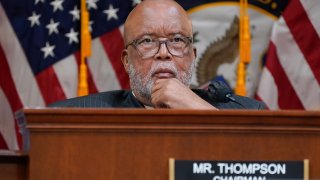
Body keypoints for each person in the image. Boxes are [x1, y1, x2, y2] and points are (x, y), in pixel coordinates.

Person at [50, 0, 264, 109]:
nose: (164, 53)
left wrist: (199, 111)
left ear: (193, 56)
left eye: (177, 40)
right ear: (126, 60)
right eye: (147, 41)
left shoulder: (246, 112)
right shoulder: (80, 116)